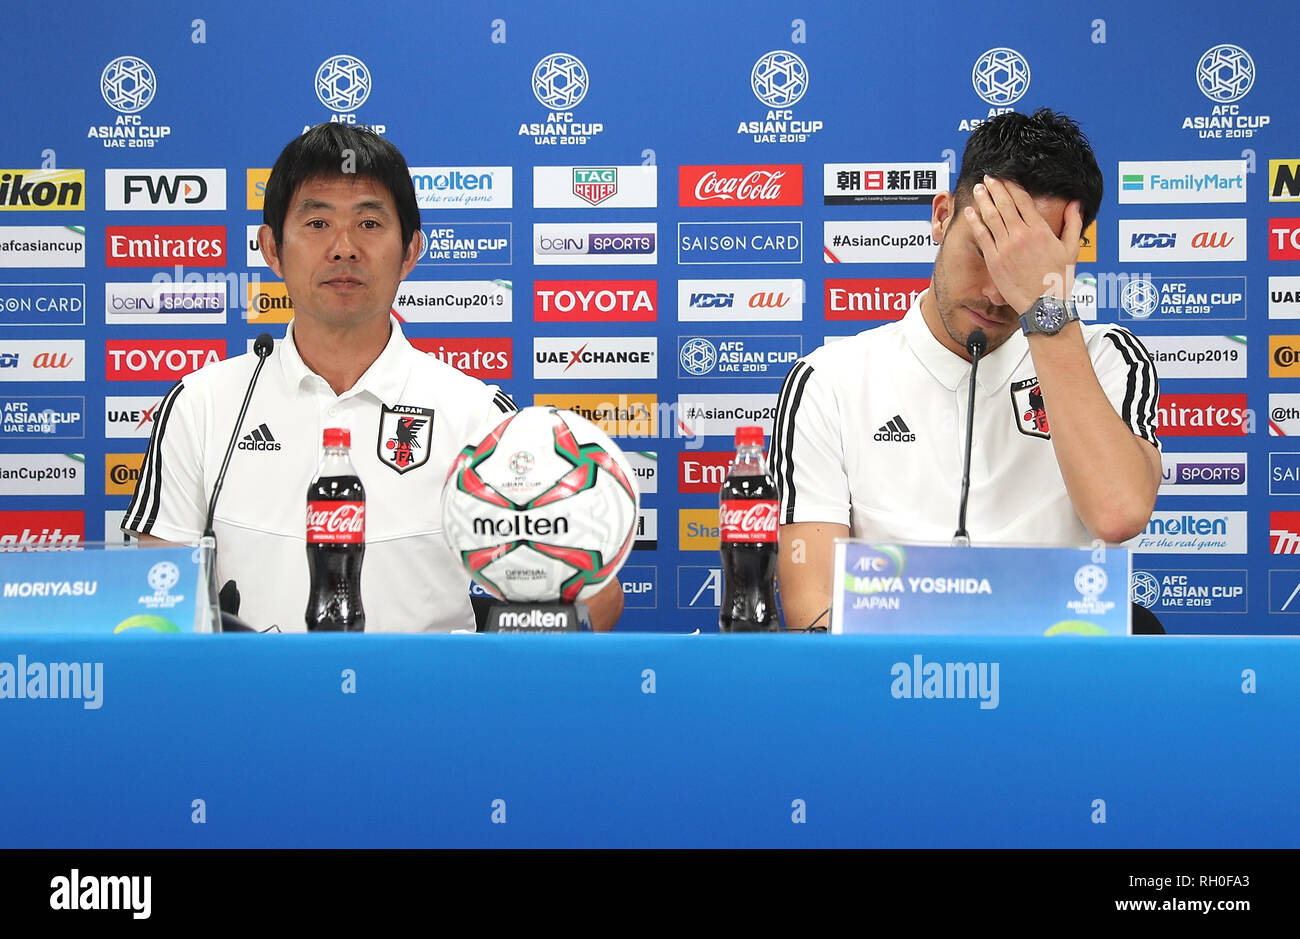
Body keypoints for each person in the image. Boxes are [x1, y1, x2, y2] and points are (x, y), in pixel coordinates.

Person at [123, 123, 623, 631]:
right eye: (317, 224)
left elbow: (594, 604)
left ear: (410, 251)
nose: (344, 248)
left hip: (432, 705)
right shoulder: (202, 405)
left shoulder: (480, 417)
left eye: (368, 223)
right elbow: (154, 600)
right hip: (254, 703)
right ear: (271, 249)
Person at [771, 109, 1160, 633]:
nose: (1000, 293)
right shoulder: (829, 381)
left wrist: (1046, 312)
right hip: (890, 695)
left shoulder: (1107, 358)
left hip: (1060, 692)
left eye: (1025, 264)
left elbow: (1118, 515)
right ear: (941, 216)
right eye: (986, 251)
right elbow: (814, 612)